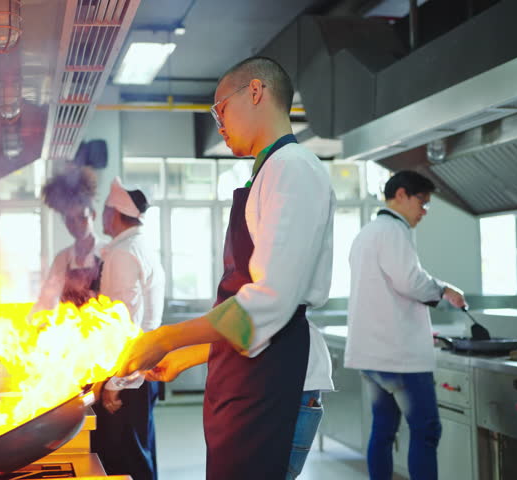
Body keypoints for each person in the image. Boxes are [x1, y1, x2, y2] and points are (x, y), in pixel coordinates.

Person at [116, 56, 335, 479]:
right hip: (255, 377)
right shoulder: (270, 172)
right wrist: (192, 354)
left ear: (255, 92)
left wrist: (167, 337)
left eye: (221, 109)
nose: (218, 123)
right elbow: (254, 307)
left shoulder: (293, 169)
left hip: (278, 381)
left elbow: (269, 302)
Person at [345, 170, 467, 480]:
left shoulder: (368, 233)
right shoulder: (393, 232)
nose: (424, 212)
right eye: (422, 203)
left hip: (373, 354)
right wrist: (443, 289)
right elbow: (410, 282)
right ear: (401, 195)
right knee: (426, 430)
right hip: (399, 357)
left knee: (383, 430)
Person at [92, 177, 165, 480]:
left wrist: (115, 384)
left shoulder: (124, 254)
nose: (102, 217)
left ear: (116, 214)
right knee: (138, 453)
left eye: (105, 211)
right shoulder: (138, 245)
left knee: (125, 461)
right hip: (139, 372)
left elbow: (125, 325)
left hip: (128, 376)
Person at [33, 166, 103, 311]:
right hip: (70, 331)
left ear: (93, 215)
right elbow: (46, 301)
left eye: (82, 218)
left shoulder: (107, 254)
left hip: (103, 331)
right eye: (70, 220)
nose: (76, 225)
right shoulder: (62, 259)